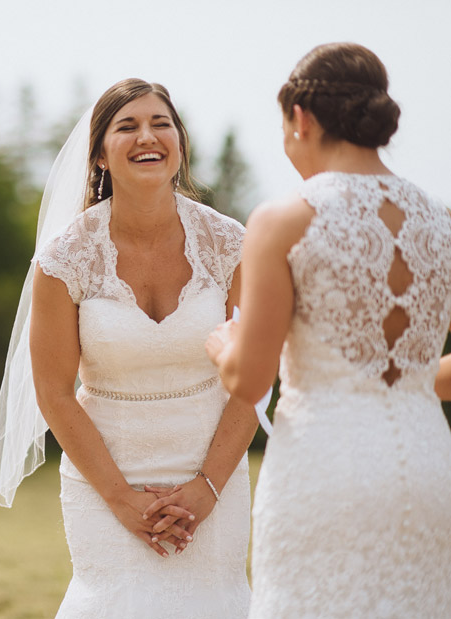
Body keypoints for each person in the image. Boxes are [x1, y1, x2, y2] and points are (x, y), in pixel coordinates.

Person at [0, 79, 256, 618]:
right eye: (126, 126)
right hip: (103, 480)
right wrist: (121, 499)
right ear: (100, 155)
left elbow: (252, 379)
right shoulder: (63, 259)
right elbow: (55, 393)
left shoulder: (230, 244)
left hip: (215, 472)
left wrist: (207, 489)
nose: (146, 136)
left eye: (160, 123)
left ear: (179, 144)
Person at [207, 42, 451, 617]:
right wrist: (411, 381)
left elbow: (249, 379)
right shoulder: (440, 223)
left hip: (325, 469)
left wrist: (223, 345)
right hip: (429, 464)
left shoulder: (285, 219)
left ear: (301, 117)